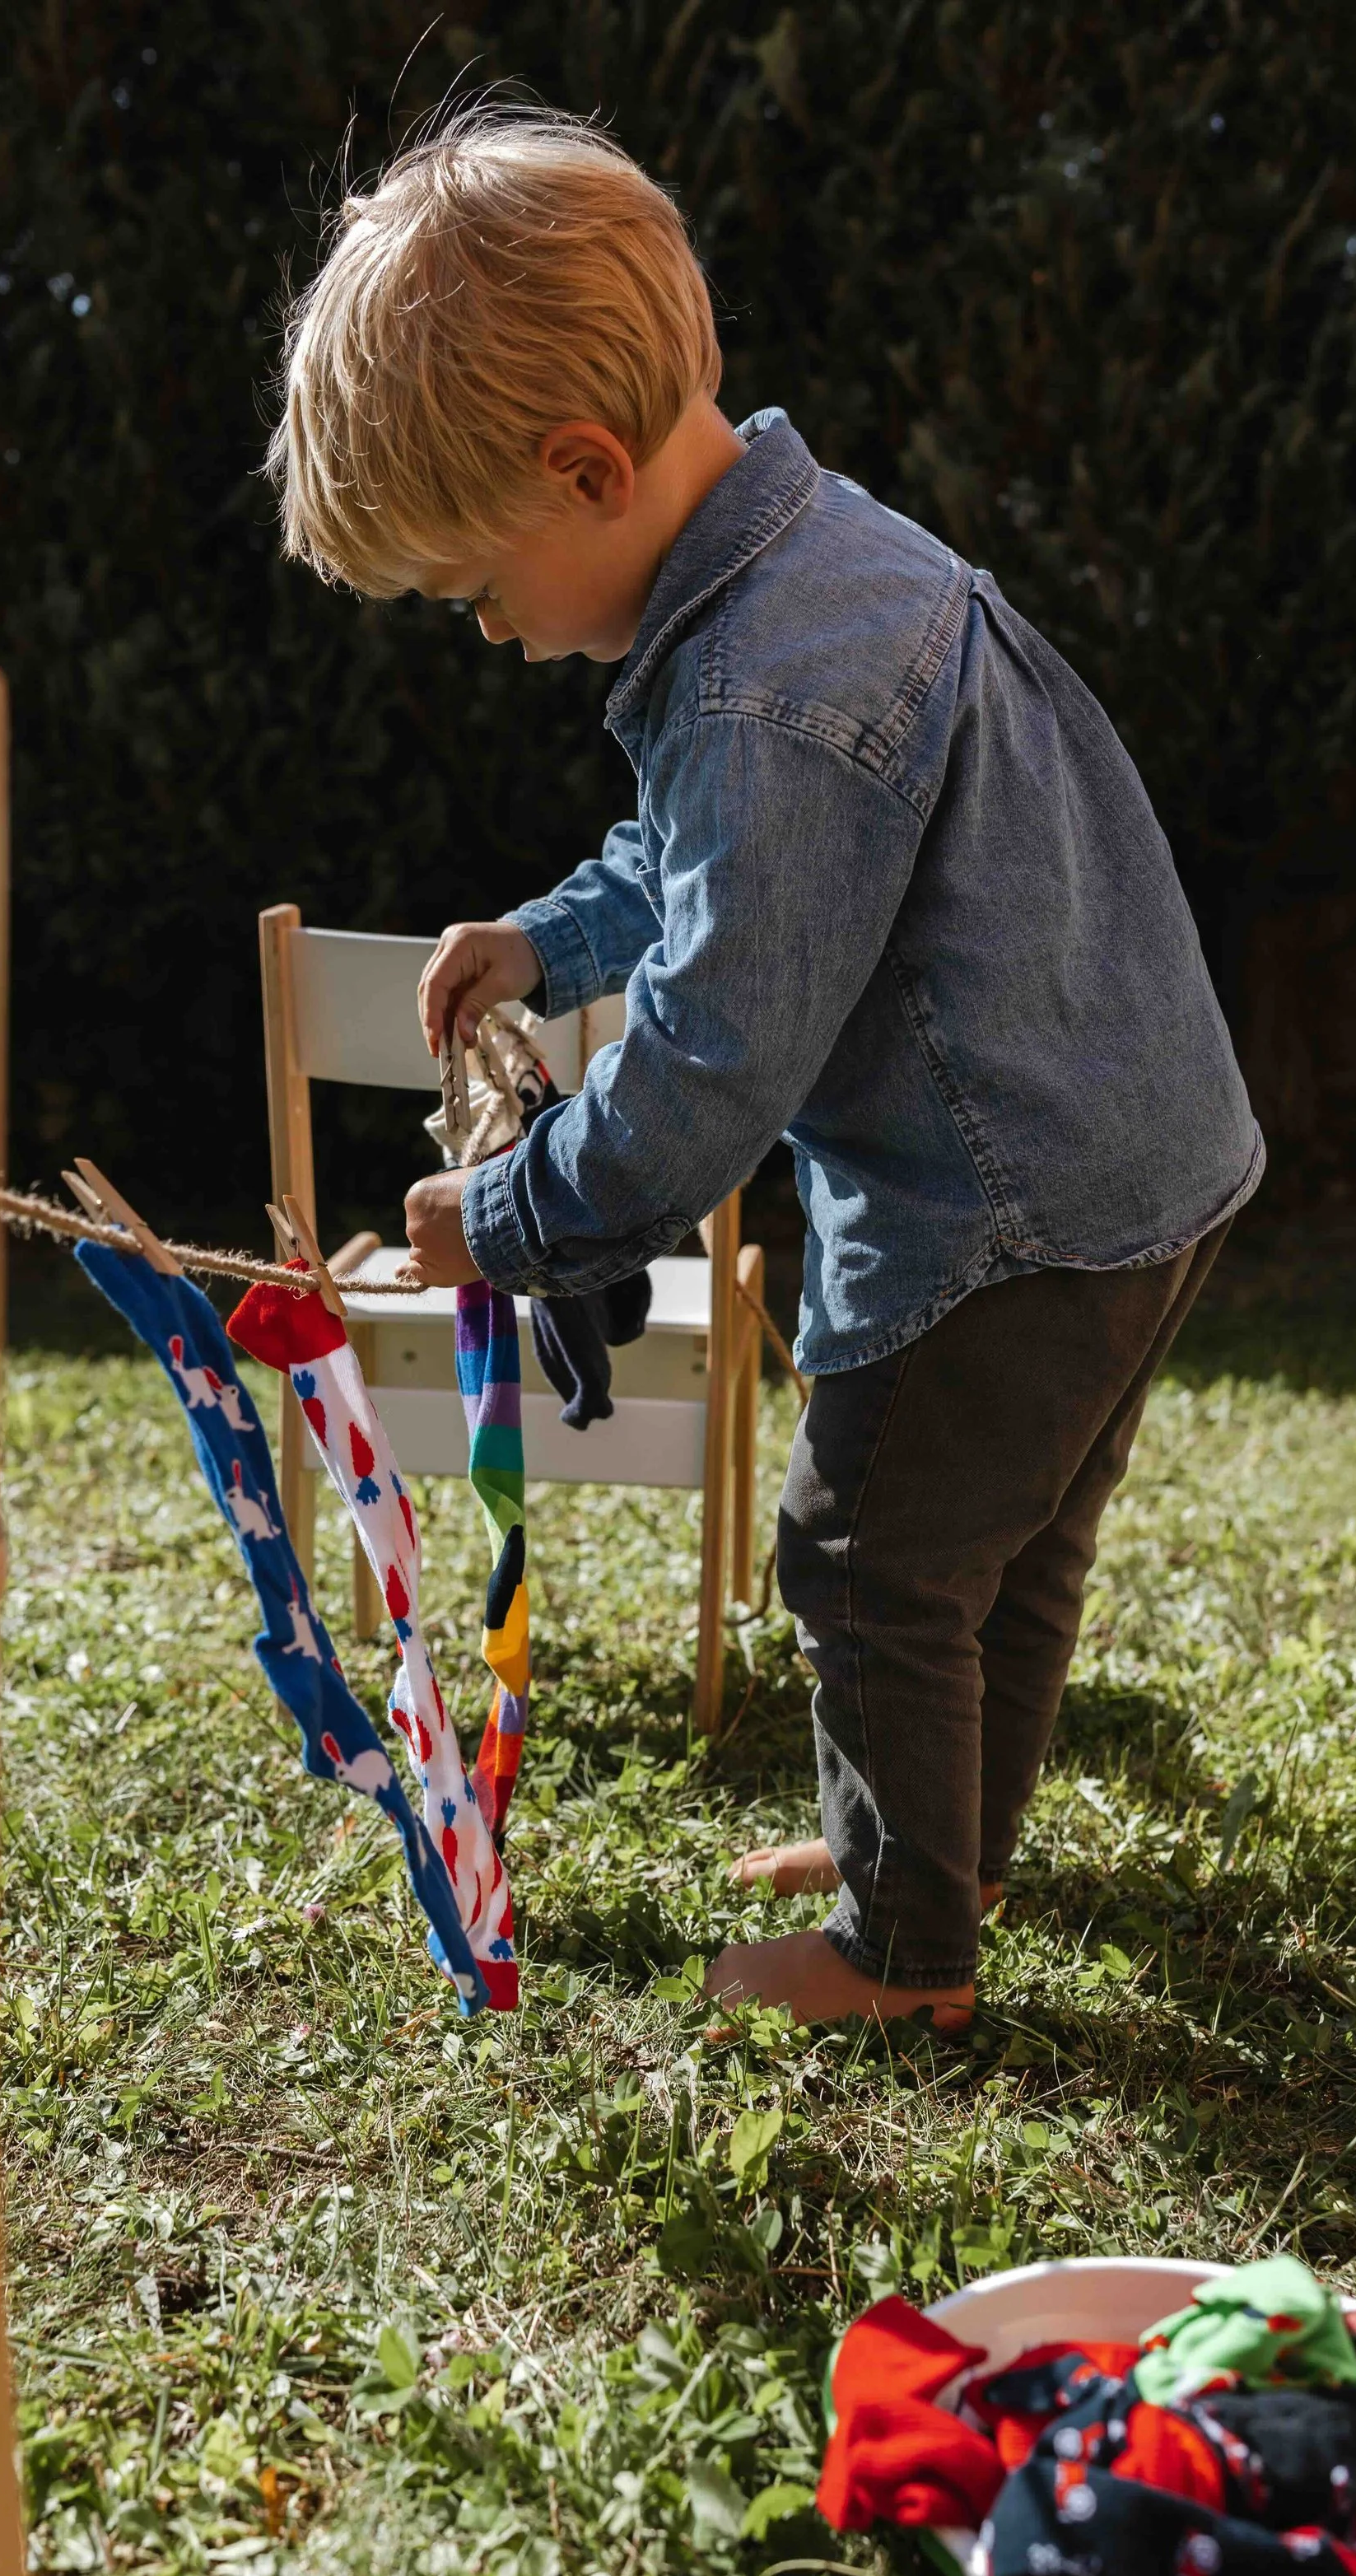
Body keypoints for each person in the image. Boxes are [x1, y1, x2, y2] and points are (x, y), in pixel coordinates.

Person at [266, 108, 1261, 2032]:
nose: (491, 638)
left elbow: (709, 1075)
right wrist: (547, 940)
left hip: (1005, 1213)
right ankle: (939, 1845)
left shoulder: (761, 690)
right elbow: (697, 865)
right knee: (1001, 1549)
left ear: (580, 467)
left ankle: (904, 1956)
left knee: (864, 1555)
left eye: (476, 592)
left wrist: (509, 1216)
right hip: (1147, 1170)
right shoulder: (806, 570)